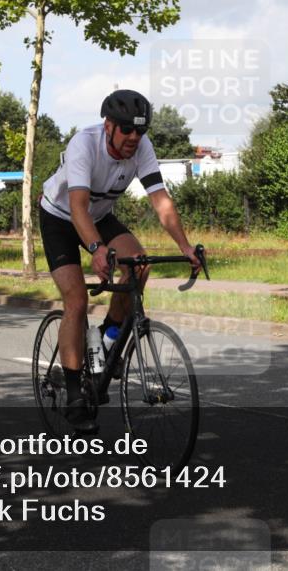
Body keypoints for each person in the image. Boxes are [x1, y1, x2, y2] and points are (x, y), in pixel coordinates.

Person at [39, 89, 200, 433]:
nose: (133, 138)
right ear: (108, 125)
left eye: (139, 131)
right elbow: (78, 208)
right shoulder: (85, 144)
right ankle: (74, 396)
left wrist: (185, 246)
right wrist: (96, 249)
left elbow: (161, 201)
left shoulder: (142, 147)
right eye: (126, 130)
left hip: (98, 215)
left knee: (139, 263)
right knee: (77, 300)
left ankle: (107, 338)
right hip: (60, 218)